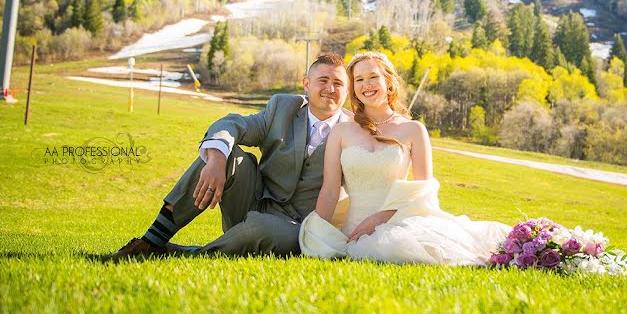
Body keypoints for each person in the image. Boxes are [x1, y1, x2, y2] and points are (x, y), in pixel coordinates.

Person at [97, 52, 351, 261]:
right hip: (251, 204)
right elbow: (234, 123)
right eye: (323, 80)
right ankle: (150, 242)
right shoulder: (283, 107)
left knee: (263, 228)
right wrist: (217, 158)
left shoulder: (353, 131)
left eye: (338, 83)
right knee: (227, 154)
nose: (330, 88)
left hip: (298, 227)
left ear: (347, 91)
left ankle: (191, 254)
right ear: (306, 84)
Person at [298, 51, 512, 265]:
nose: (366, 84)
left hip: (396, 220)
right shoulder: (342, 131)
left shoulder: (413, 130)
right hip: (354, 226)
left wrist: (379, 219)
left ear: (388, 82)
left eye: (373, 77)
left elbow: (422, 191)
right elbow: (330, 190)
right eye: (359, 80)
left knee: (396, 249)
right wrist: (320, 231)